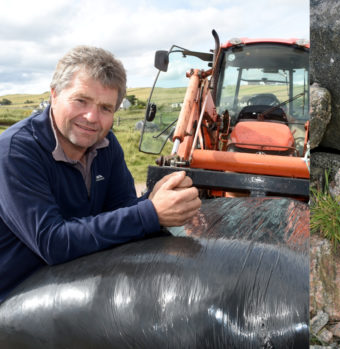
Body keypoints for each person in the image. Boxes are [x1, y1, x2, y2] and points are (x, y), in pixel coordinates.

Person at [0, 45, 202, 302]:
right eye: (81, 100)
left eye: (106, 108)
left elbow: (122, 213)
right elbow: (52, 242)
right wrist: (150, 212)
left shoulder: (106, 146)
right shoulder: (15, 151)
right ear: (54, 94)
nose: (92, 117)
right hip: (13, 300)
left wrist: (156, 199)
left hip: (71, 286)